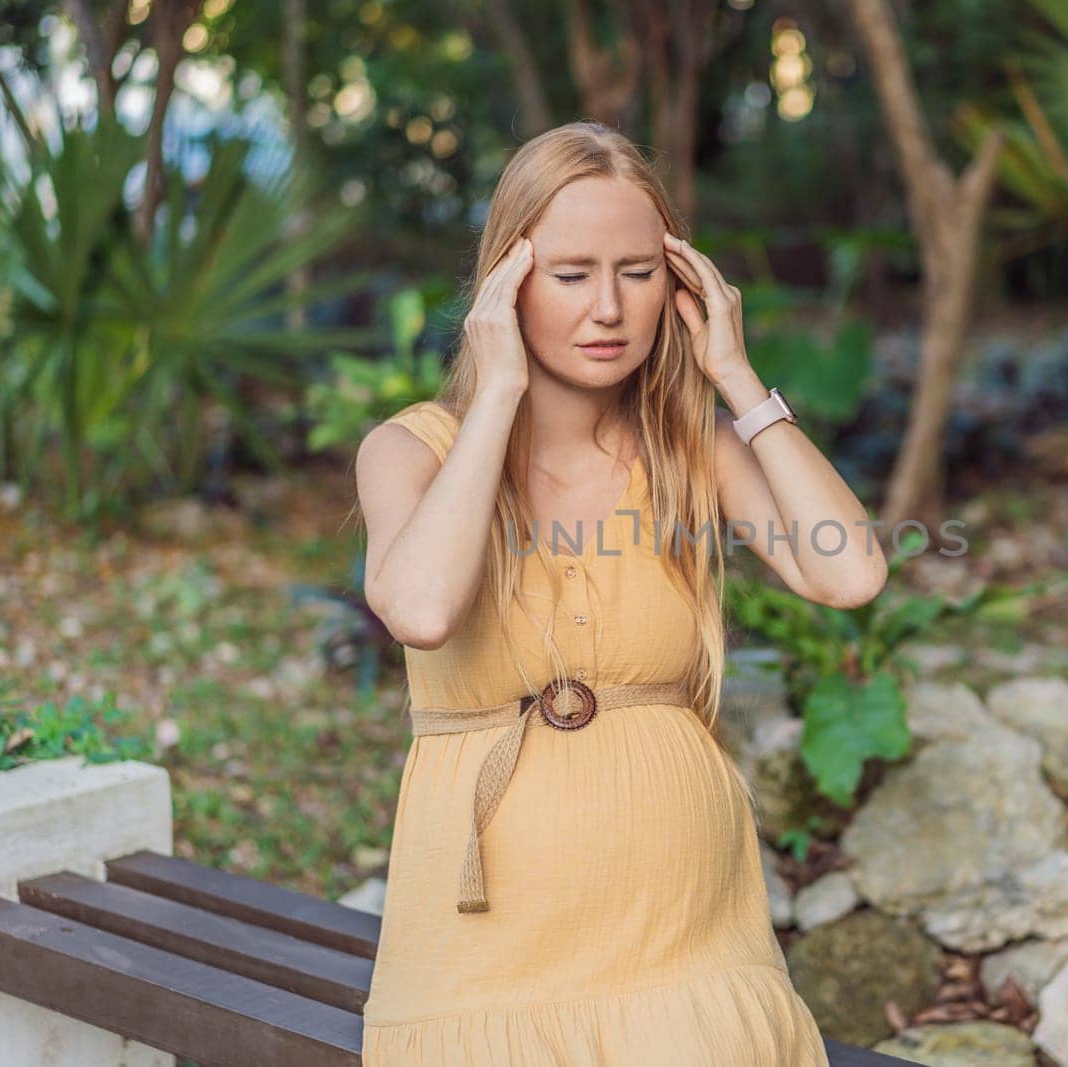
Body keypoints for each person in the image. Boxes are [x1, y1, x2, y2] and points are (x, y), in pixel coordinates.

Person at [353, 120, 887, 1065]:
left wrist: (736, 377)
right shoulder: (410, 454)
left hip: (687, 950)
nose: (609, 307)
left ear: (679, 283)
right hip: (483, 968)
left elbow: (847, 571)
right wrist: (499, 394)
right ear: (504, 284)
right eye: (570, 274)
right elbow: (423, 609)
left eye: (638, 272)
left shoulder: (691, 455)